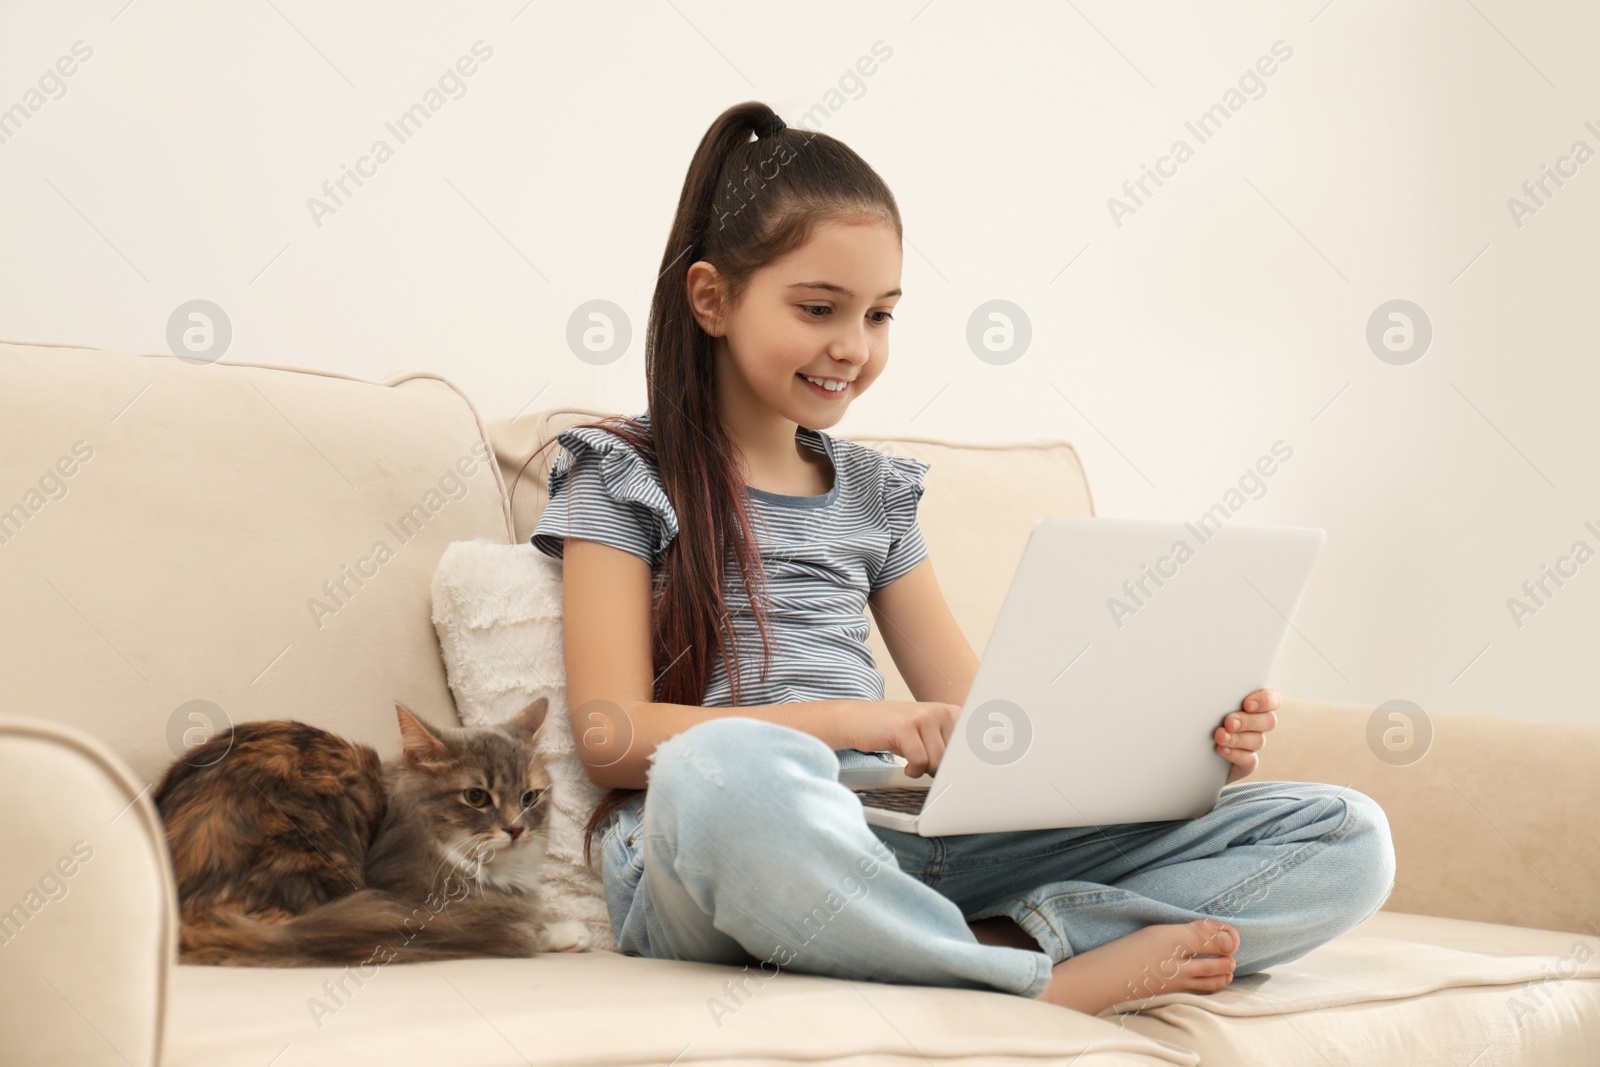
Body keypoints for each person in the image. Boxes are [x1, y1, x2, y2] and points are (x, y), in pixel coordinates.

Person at [522, 100, 1396, 1015]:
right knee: (723, 773)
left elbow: (993, 732)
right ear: (712, 298)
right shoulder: (622, 471)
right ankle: (1036, 981)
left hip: (906, 841)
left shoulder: (877, 495)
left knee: (1345, 835)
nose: (853, 348)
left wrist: (1186, 748)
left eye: (881, 315)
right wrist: (862, 721)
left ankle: (991, 940)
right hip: (730, 845)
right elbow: (612, 736)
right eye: (819, 309)